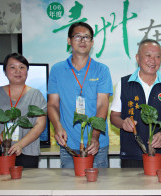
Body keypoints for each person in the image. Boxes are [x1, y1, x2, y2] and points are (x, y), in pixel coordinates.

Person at [47, 22, 113, 168]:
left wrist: (95, 137)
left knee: (99, 187)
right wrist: (57, 127)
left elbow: (102, 104)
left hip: (96, 144)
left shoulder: (102, 70)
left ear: (92, 42)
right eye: (78, 37)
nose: (83, 41)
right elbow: (52, 104)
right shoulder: (57, 70)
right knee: (70, 188)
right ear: (69, 41)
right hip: (68, 142)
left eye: (87, 37)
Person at [110, 39, 161, 168]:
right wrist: (123, 123)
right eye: (148, 55)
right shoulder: (124, 84)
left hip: (160, 155)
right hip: (131, 155)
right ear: (137, 58)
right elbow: (114, 116)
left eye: (157, 56)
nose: (153, 60)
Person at [0, 53, 47, 168]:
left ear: (27, 71)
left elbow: (40, 124)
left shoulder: (36, 95)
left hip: (27, 152)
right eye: (12, 67)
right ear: (5, 71)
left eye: (22, 67)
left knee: (26, 185)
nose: (17, 71)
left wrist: (20, 144)